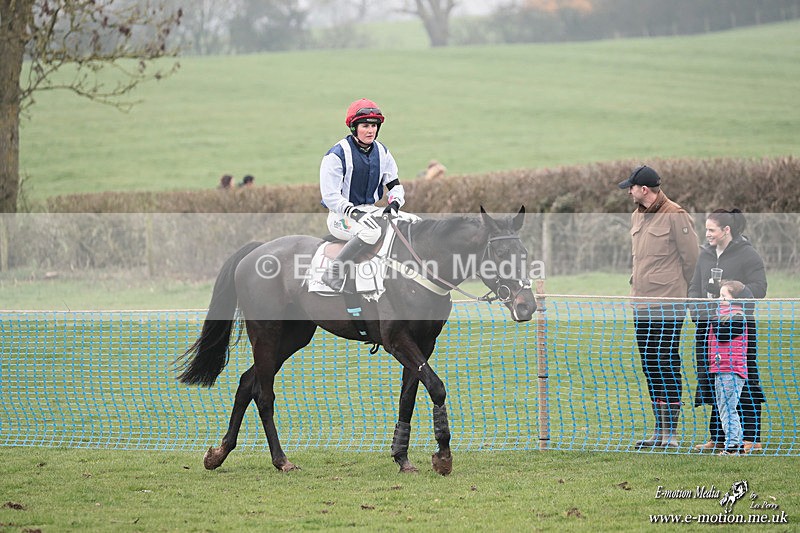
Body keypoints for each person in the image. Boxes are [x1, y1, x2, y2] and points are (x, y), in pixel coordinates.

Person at [618, 165, 699, 449]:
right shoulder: (636, 216)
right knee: (650, 365)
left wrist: (683, 295)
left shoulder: (676, 216)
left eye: (631, 187)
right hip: (641, 303)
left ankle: (671, 435)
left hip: (668, 304)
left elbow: (692, 261)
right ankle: (658, 432)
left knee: (666, 363)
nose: (628, 191)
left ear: (644, 189)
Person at [688, 209, 767, 453]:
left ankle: (751, 437)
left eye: (711, 230)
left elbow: (759, 288)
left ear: (726, 231)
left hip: (737, 329)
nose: (707, 234)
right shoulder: (705, 255)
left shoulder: (747, 254)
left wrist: (731, 290)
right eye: (706, 229)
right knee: (713, 381)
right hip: (708, 328)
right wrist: (698, 311)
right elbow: (693, 286)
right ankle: (719, 436)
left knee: (743, 381)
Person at [319, 98, 405, 292]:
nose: (370, 130)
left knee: (406, 225)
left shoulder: (382, 152)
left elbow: (395, 185)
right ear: (354, 128)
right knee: (371, 232)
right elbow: (330, 196)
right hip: (341, 215)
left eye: (374, 126)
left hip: (371, 211)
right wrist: (354, 212)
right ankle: (333, 272)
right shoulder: (337, 154)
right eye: (365, 126)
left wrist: (395, 203)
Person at [707, 280, 752, 455]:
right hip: (721, 367)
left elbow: (722, 334)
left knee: (727, 408)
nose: (720, 299)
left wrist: (712, 315)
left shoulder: (738, 316)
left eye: (724, 296)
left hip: (731, 369)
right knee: (724, 407)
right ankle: (736, 445)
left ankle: (732, 446)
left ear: (736, 299)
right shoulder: (723, 313)